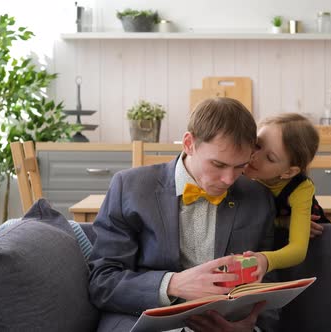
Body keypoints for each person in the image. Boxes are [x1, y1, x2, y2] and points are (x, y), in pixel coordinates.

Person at [88, 97, 279, 331]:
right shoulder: (129, 187)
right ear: (189, 143)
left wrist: (251, 327)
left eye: (240, 166)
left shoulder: (259, 198)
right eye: (218, 165)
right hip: (142, 321)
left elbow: (271, 285)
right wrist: (173, 284)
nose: (229, 179)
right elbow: (102, 281)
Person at [242, 113, 329, 280]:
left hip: (305, 255)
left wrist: (265, 260)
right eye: (257, 145)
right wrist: (282, 222)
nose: (254, 156)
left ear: (288, 171)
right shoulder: (237, 169)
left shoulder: (300, 189)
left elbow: (297, 250)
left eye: (270, 158)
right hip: (263, 239)